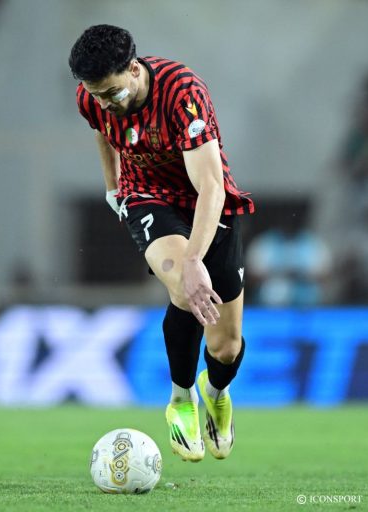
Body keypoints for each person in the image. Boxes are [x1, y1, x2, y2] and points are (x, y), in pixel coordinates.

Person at [69, 25, 254, 462]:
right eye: (96, 95)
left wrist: (195, 258)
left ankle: (215, 391)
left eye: (112, 92)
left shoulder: (182, 93)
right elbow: (102, 129)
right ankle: (181, 398)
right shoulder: (92, 99)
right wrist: (113, 187)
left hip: (207, 202)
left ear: (134, 70)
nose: (105, 103)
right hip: (148, 198)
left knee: (225, 345)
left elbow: (211, 187)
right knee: (184, 291)